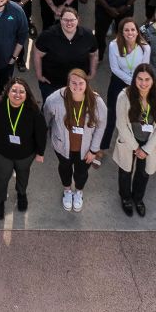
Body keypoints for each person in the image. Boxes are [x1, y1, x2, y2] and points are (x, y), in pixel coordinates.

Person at [42, 69, 107, 213]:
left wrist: (94, 150)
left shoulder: (96, 102)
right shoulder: (55, 99)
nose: (77, 86)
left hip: (86, 150)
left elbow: (101, 125)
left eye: (81, 83)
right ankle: (67, 190)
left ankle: (78, 192)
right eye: (73, 83)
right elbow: (46, 118)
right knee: (64, 168)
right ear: (68, 83)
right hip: (62, 146)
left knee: (81, 172)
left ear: (86, 83)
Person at [0, 76, 46, 220]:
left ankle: (21, 194)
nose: (17, 94)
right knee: (1, 178)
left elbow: (41, 133)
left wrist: (40, 152)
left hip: (25, 154)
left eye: (21, 92)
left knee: (23, 175)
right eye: (14, 91)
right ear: (8, 91)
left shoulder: (33, 109)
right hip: (2, 152)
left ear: (26, 94)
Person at [112, 64, 156, 217]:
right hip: (129, 141)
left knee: (143, 173)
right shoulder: (124, 96)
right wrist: (136, 147)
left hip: (148, 143)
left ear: (153, 80)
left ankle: (138, 198)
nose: (143, 83)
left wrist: (145, 149)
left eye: (147, 79)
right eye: (140, 79)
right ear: (134, 79)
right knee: (125, 170)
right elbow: (121, 125)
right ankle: (125, 198)